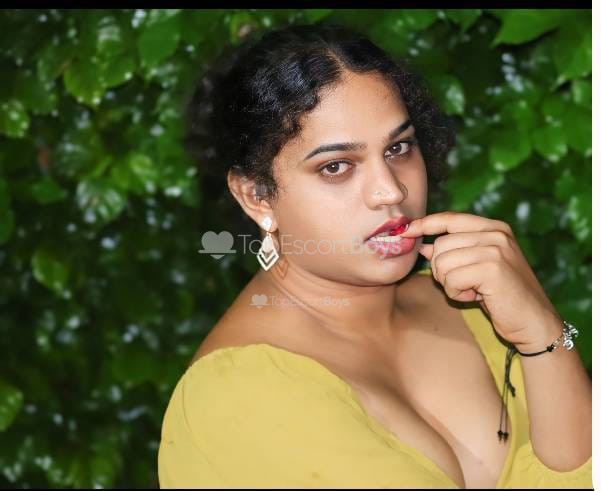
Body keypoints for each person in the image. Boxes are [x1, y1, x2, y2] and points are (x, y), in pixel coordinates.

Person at [158, 23, 592, 488]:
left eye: (398, 148)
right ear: (257, 196)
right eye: (336, 166)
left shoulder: (473, 302)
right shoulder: (238, 394)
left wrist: (543, 332)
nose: (391, 190)